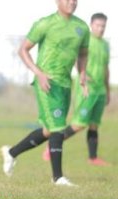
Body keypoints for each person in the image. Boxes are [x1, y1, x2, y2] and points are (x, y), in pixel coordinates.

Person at [0, 0, 89, 187]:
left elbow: (83, 53)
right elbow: (23, 50)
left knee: (49, 130)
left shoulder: (82, 27)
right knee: (58, 128)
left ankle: (11, 152)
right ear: (57, 1)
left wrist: (82, 73)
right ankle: (58, 178)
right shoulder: (45, 24)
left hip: (66, 84)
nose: (72, 2)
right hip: (47, 83)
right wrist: (38, 73)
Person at [41, 13, 110, 166]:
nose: (101, 29)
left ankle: (93, 158)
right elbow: (76, 59)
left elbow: (106, 68)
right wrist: (83, 77)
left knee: (94, 124)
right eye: (98, 25)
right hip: (87, 89)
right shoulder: (86, 41)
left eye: (103, 26)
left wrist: (108, 90)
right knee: (79, 124)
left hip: (100, 90)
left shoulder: (105, 45)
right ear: (91, 25)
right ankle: (51, 146)